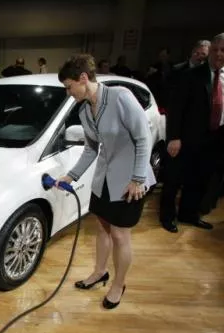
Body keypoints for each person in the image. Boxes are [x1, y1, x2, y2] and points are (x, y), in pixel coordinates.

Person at [55, 54, 156, 310]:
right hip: (104, 180)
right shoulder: (84, 111)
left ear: (83, 78)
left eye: (69, 87)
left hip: (129, 181)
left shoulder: (120, 96)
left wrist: (138, 179)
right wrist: (72, 175)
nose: (68, 93)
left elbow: (143, 138)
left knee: (121, 235)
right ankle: (100, 272)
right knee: (102, 229)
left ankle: (119, 284)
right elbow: (91, 149)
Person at [161, 33, 224, 230]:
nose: (219, 54)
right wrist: (174, 137)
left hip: (214, 139)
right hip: (186, 138)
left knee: (199, 180)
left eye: (223, 50)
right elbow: (176, 108)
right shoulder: (191, 75)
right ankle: (167, 217)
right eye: (215, 50)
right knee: (174, 180)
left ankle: (188, 214)